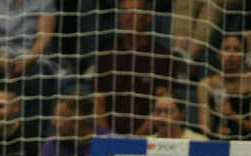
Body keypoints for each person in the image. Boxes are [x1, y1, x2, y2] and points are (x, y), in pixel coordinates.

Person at [93, 0, 179, 137]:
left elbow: (161, 105)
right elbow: (98, 102)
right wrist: (108, 137)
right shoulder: (107, 56)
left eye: (134, 12)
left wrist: (136, 138)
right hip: (111, 136)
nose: (127, 17)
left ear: (148, 17)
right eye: (123, 12)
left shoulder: (162, 56)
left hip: (150, 137)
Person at [196, 33, 251, 140]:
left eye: (237, 50)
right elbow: (204, 128)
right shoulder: (207, 84)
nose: (231, 54)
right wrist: (215, 133)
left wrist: (232, 115)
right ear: (218, 54)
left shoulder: (249, 81)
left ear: (244, 55)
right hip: (218, 142)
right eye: (226, 49)